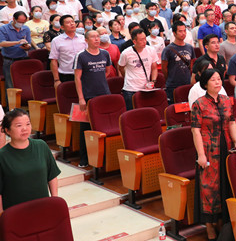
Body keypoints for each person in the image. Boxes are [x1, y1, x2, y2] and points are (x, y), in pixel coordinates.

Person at [192, 69, 236, 241]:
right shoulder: (199, 104)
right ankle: (209, 226)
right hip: (208, 150)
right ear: (205, 84)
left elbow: (232, 122)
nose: (218, 82)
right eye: (213, 80)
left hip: (226, 147)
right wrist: (201, 155)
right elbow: (196, 131)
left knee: (224, 185)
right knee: (209, 188)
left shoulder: (226, 100)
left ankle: (222, 222)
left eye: (219, 79)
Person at [0, 109, 60, 212]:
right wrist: (1, 214)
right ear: (7, 130)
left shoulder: (41, 146)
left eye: (28, 124)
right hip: (15, 212)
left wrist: (54, 200)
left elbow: (52, 176)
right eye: (19, 125)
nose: (25, 129)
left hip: (42, 208)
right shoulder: (2, 156)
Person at [74, 30, 112, 167]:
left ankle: (103, 158)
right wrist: (81, 98)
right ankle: (84, 158)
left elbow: (107, 71)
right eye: (93, 37)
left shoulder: (105, 53)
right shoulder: (81, 56)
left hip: (104, 95)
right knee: (85, 128)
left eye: (98, 36)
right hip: (87, 96)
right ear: (86, 40)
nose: (96, 39)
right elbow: (77, 78)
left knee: (103, 126)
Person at [118, 28, 159, 111]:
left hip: (146, 89)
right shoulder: (126, 53)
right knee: (133, 114)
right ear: (134, 41)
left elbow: (154, 68)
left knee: (146, 112)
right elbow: (121, 67)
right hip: (131, 90)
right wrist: (127, 77)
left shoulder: (151, 50)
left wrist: (153, 81)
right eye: (141, 40)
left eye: (145, 38)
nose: (144, 41)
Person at [161, 21, 195, 103]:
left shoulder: (190, 47)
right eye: (180, 31)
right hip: (173, 85)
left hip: (187, 83)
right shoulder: (168, 49)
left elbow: (191, 64)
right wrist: (170, 78)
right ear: (174, 33)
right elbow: (164, 68)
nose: (183, 33)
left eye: (184, 31)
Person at [50, 15, 87, 84]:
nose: (72, 24)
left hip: (84, 74)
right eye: (68, 22)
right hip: (66, 75)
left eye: (73, 21)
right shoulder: (56, 40)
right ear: (62, 27)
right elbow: (54, 60)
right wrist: (56, 80)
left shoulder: (83, 38)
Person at [0, 11, 32, 89]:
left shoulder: (26, 28)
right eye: (19, 22)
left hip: (23, 59)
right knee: (10, 84)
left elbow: (29, 44)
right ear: (14, 19)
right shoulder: (3, 28)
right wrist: (18, 42)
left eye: (23, 22)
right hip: (9, 60)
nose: (21, 24)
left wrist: (27, 46)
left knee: (24, 84)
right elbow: (2, 43)